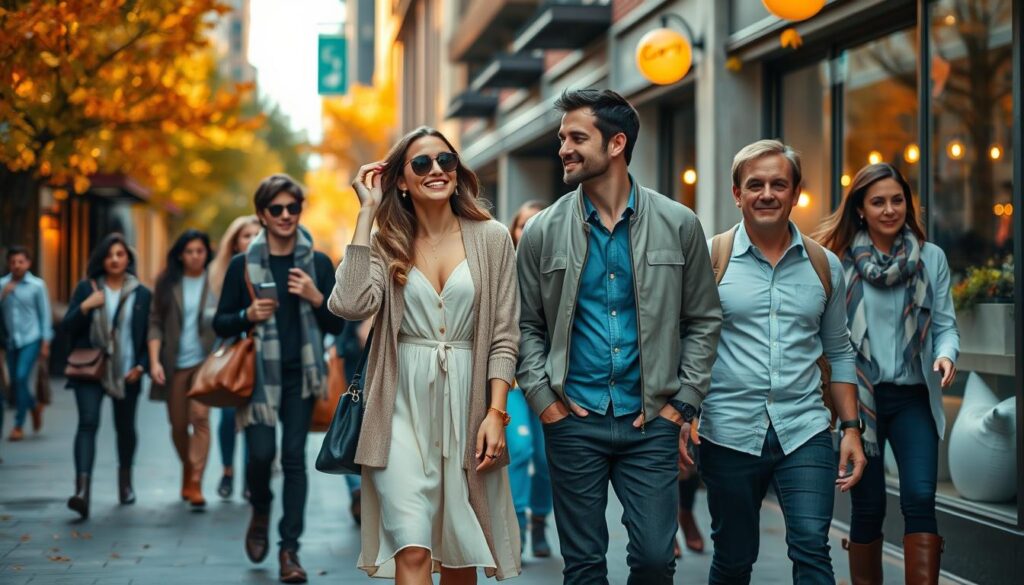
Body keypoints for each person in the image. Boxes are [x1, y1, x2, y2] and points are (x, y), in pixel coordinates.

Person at [516, 89, 722, 585]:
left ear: (616, 144)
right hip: (573, 421)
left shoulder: (679, 224)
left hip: (649, 422)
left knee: (655, 559)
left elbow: (703, 319)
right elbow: (524, 325)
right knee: (584, 567)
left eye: (577, 137)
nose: (564, 147)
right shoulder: (542, 231)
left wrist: (682, 405)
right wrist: (545, 401)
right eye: (561, 137)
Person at [329, 126, 521, 583]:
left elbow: (503, 335)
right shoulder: (385, 241)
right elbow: (351, 304)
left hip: (468, 408)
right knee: (411, 550)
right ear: (400, 179)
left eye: (446, 161)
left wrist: (496, 413)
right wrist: (366, 214)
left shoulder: (492, 238)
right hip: (396, 407)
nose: (436, 170)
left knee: (458, 557)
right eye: (421, 163)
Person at [698, 139, 867, 585]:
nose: (767, 193)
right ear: (738, 194)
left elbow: (839, 350)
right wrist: (683, 415)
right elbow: (687, 344)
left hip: (805, 429)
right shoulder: (709, 259)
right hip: (727, 430)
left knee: (812, 545)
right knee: (734, 557)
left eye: (778, 184)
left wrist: (851, 429)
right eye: (755, 185)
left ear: (795, 193)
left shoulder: (824, 265)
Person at [814, 163, 959, 585]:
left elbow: (946, 324)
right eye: (878, 201)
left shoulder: (931, 259)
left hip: (914, 397)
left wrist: (946, 354)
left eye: (898, 200)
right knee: (869, 506)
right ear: (860, 209)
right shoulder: (836, 264)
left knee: (919, 497)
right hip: (860, 403)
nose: (890, 209)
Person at [213, 175, 343, 583]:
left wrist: (316, 297)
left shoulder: (318, 263)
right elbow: (220, 322)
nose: (286, 216)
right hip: (257, 378)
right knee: (259, 457)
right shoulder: (243, 265)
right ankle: (261, 508)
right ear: (262, 214)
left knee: (293, 459)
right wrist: (245, 317)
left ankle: (289, 550)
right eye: (277, 209)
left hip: (300, 378)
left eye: (293, 208)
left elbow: (337, 326)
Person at [62, 233, 152, 519]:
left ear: (128, 259)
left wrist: (142, 365)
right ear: (102, 259)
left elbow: (150, 335)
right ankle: (82, 491)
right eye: (110, 254)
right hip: (90, 370)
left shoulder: (141, 294)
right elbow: (68, 328)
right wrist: (86, 306)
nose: (114, 259)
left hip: (127, 371)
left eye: (120, 254)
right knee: (87, 423)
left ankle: (125, 483)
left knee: (125, 429)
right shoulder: (86, 288)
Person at [148, 230, 217, 508]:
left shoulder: (215, 281)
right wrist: (154, 361)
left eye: (200, 251)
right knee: (178, 425)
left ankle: (196, 481)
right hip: (174, 363)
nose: (195, 256)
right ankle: (189, 468)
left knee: (200, 418)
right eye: (189, 251)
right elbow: (154, 322)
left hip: (206, 362)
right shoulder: (167, 283)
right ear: (180, 255)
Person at [505, 200, 554, 558]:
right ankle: (518, 524)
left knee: (549, 457)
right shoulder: (503, 269)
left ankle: (540, 520)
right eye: (524, 224)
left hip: (554, 383)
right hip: (512, 382)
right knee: (520, 451)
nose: (531, 230)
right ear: (515, 230)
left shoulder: (562, 267)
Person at [208, 215, 261, 499]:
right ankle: (228, 470)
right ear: (235, 241)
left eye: (256, 234)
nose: (251, 240)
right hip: (231, 351)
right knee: (229, 416)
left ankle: (251, 478)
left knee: (254, 418)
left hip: (260, 355)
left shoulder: (269, 267)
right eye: (245, 236)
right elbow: (216, 318)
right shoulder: (223, 271)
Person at [1, 246, 53, 441]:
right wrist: (3, 295)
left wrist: (45, 342)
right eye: (13, 262)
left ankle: (18, 425)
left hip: (32, 338)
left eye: (20, 262)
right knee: (15, 381)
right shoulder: (2, 285)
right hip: (11, 340)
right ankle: (33, 406)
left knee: (22, 377)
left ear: (28, 263)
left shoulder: (37, 285)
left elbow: (44, 314)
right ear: (9, 264)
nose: (17, 266)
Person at [333, 318, 368, 526]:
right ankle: (358, 489)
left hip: (355, 350)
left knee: (353, 425)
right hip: (357, 356)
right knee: (354, 423)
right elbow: (363, 334)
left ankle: (358, 490)